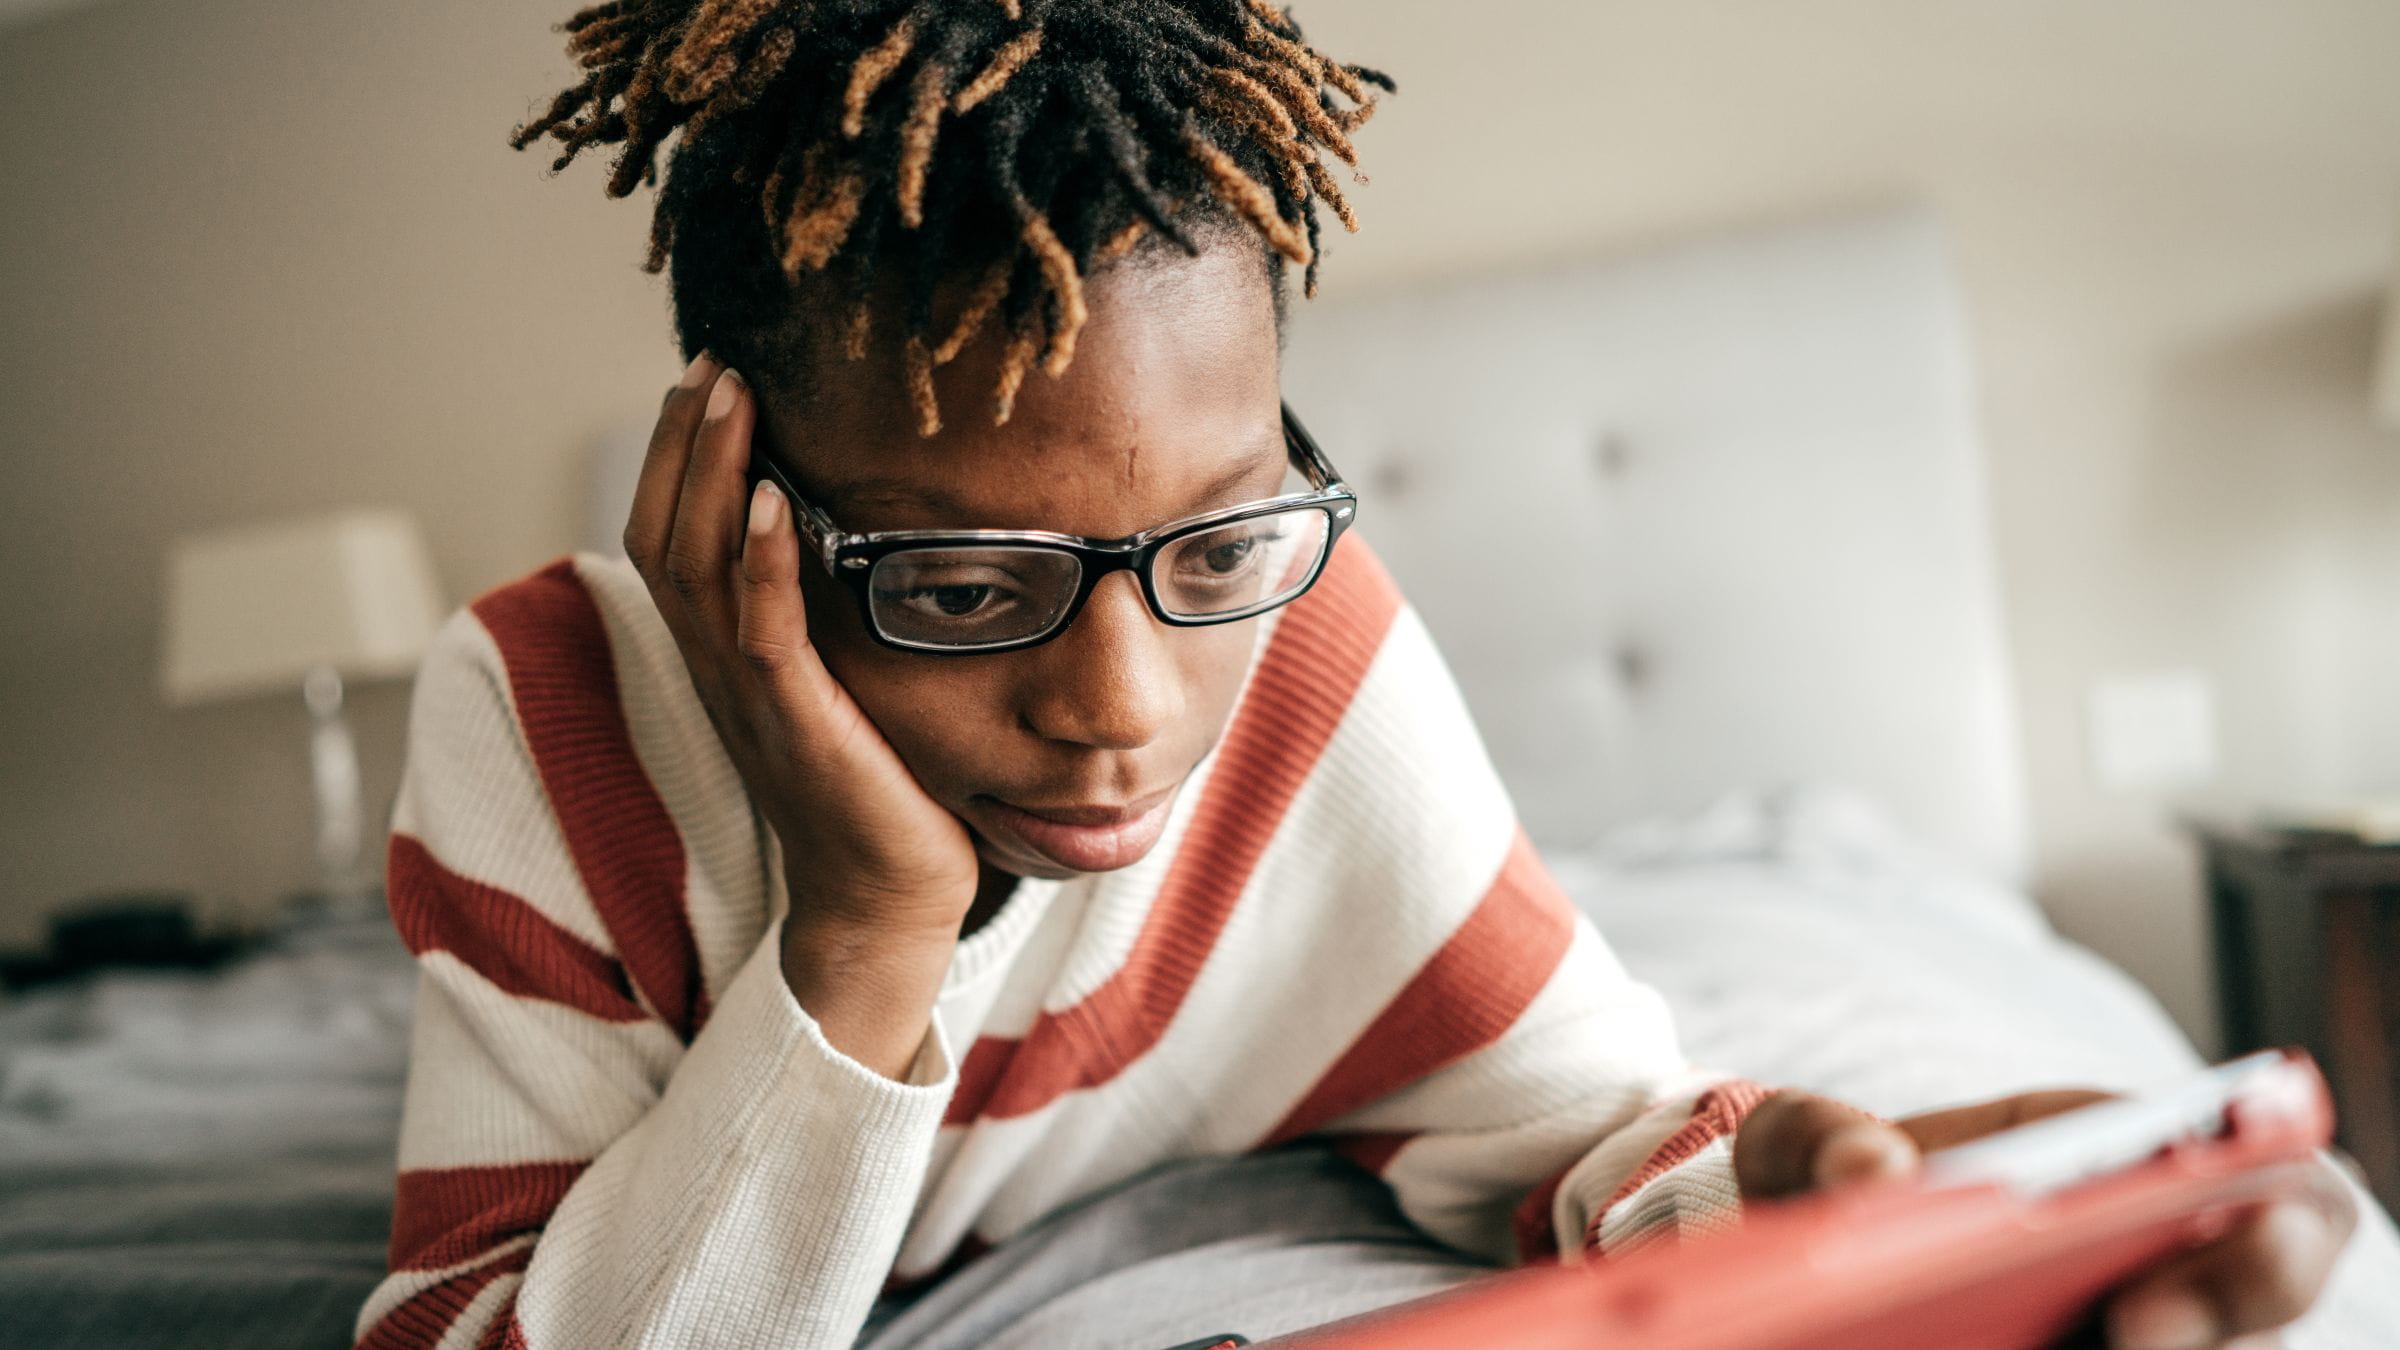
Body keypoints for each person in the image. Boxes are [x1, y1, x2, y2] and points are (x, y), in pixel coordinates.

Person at [355, 2, 2356, 1346]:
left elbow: (1558, 1126)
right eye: (966, 586)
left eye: (1217, 541)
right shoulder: (535, 713)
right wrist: (871, 930)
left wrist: (1801, 1192)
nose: (1126, 708)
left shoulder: (1307, 641)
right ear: (734, 510)